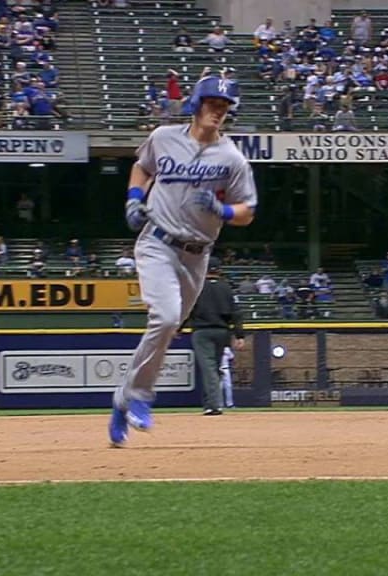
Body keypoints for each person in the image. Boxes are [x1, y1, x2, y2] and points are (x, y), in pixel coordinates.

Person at [109, 76, 257, 446]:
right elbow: (142, 167)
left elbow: (248, 211)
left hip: (197, 255)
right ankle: (141, 396)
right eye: (212, 103)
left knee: (167, 327)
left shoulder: (231, 157)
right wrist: (132, 197)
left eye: (224, 107)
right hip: (157, 243)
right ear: (196, 104)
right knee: (168, 317)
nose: (218, 111)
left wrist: (223, 209)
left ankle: (121, 399)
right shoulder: (163, 137)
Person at [187, 257, 246, 416]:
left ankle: (214, 405)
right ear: (219, 270)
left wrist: (177, 328)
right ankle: (210, 403)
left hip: (202, 332)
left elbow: (188, 310)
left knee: (209, 368)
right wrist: (239, 335)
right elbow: (237, 313)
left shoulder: (197, 287)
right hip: (222, 331)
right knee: (215, 369)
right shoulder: (226, 288)